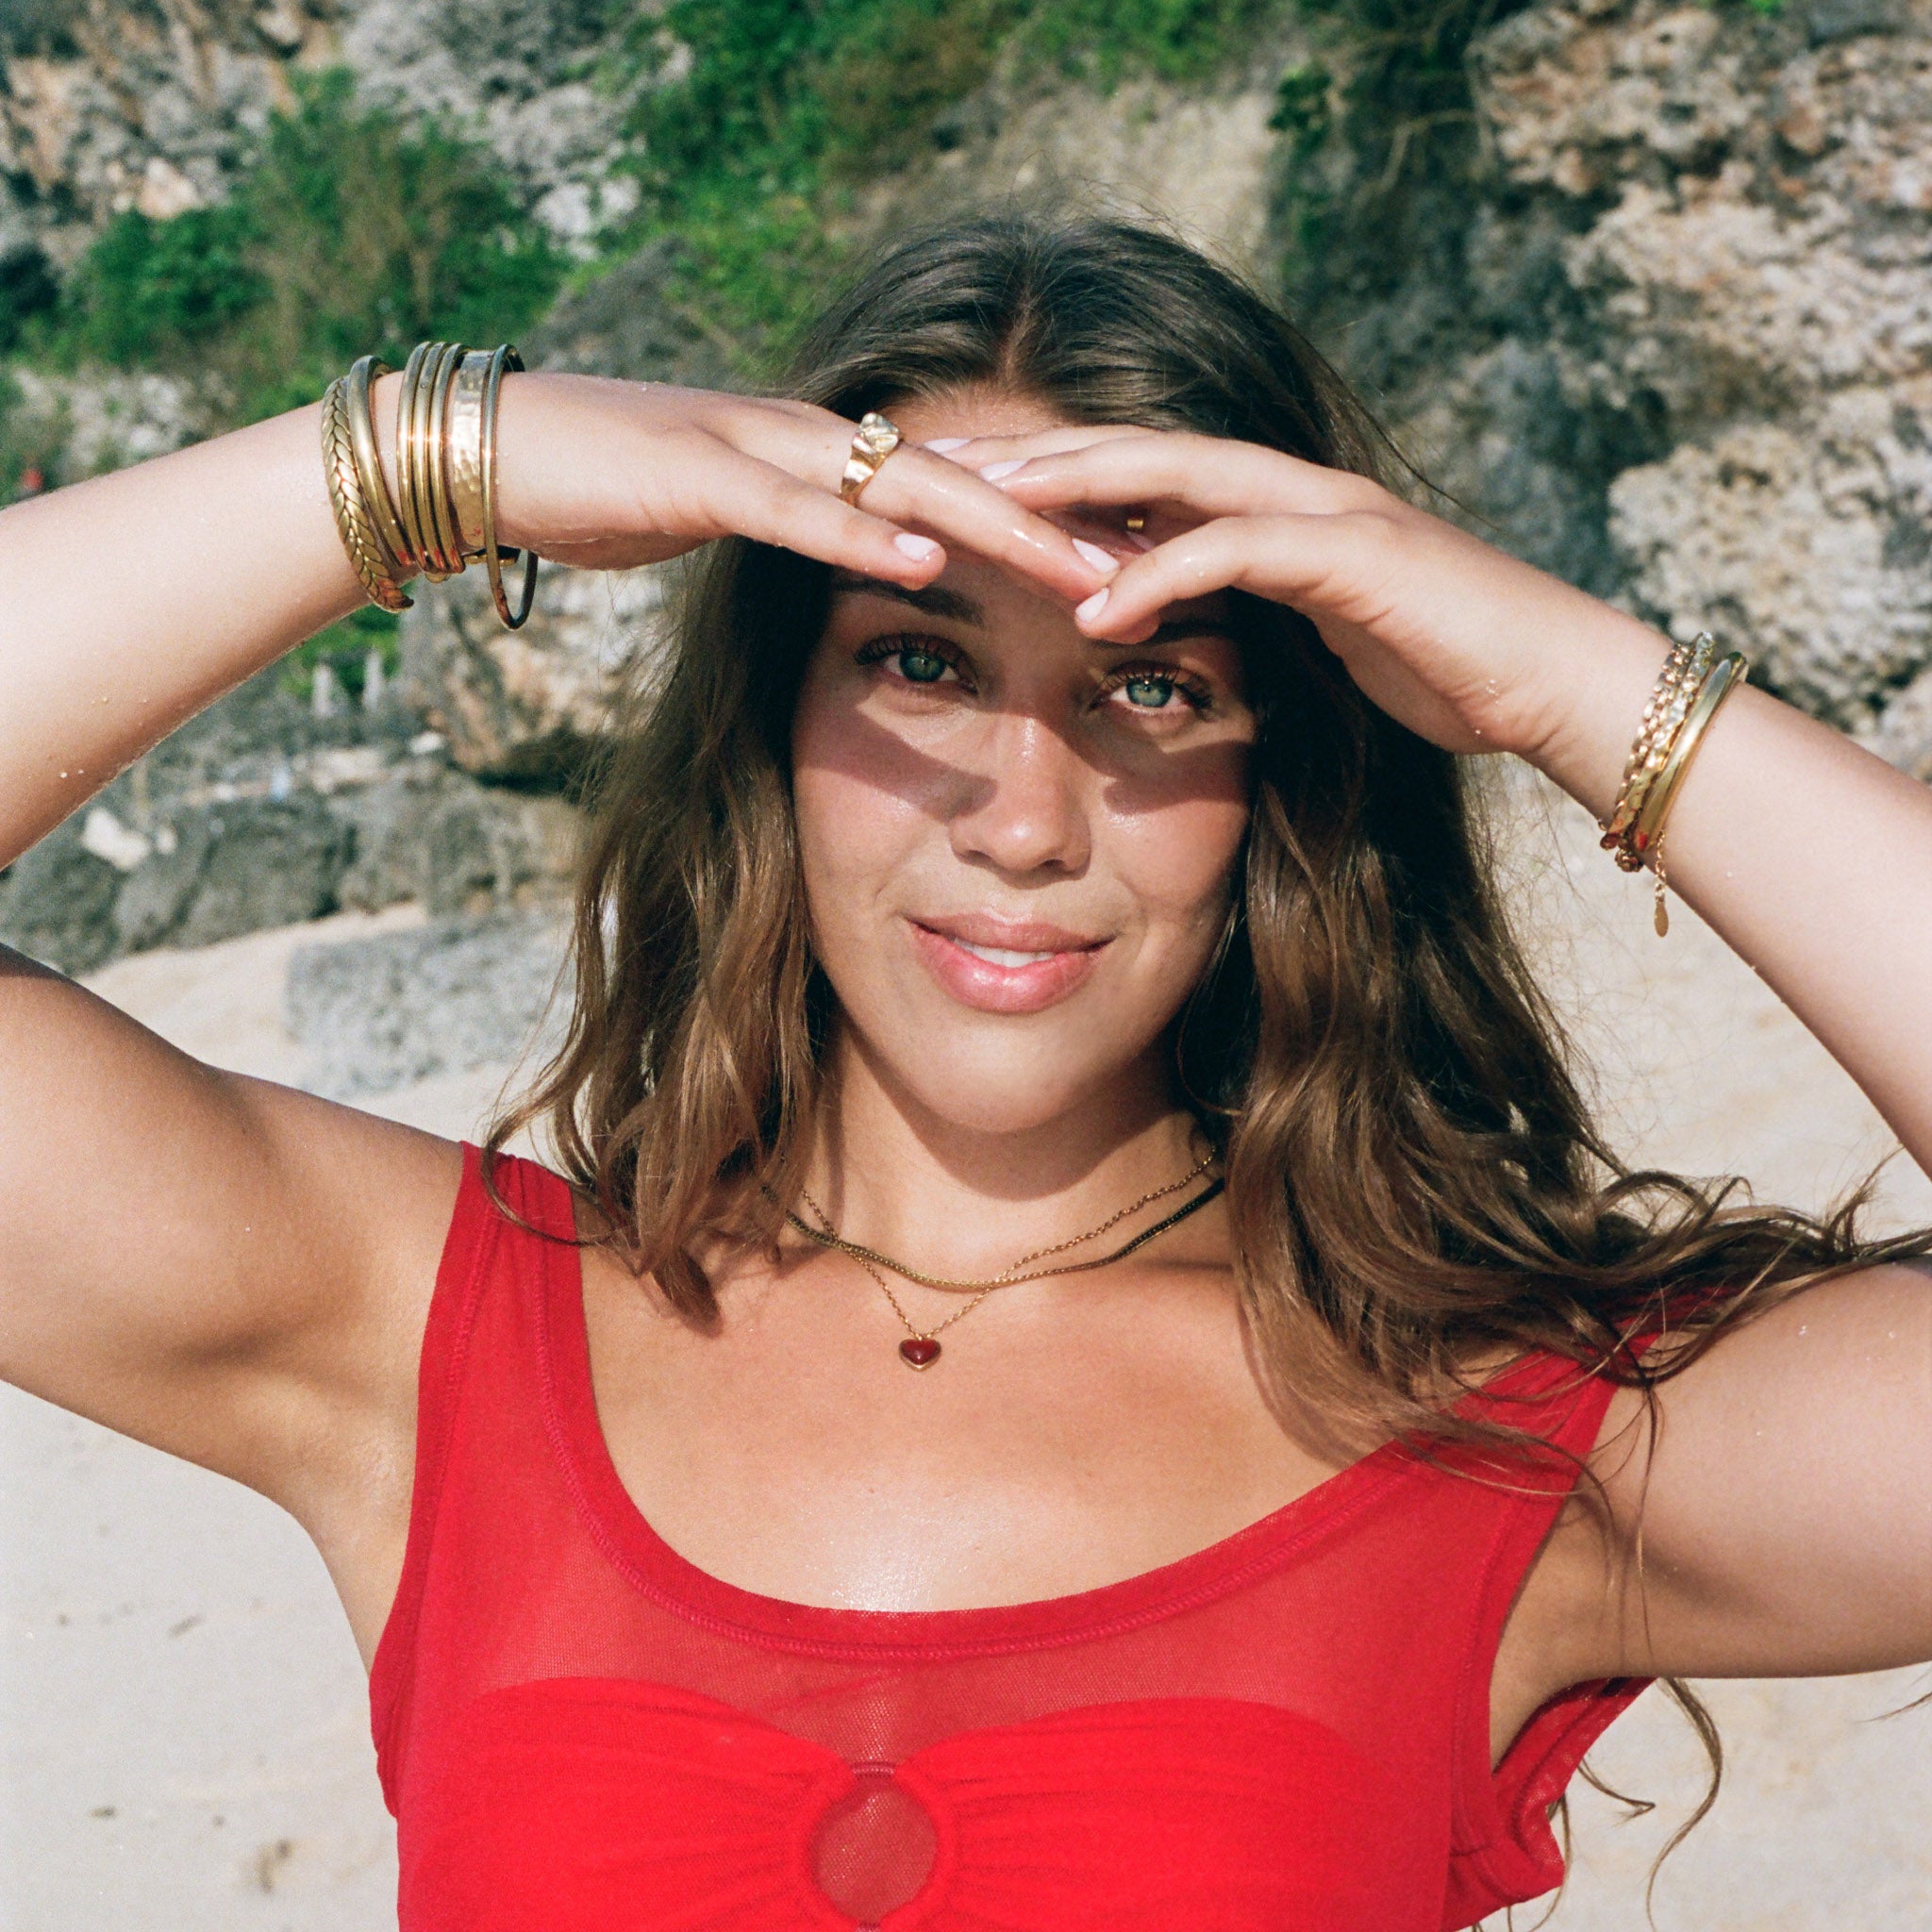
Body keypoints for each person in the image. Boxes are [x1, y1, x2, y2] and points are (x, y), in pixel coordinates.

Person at [1, 213, 1927, 1931]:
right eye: (921, 663)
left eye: (1154, 685)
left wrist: (1569, 682)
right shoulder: (425, 1336)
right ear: (775, 718)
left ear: (1276, 781)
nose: (1023, 820)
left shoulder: (1512, 1430)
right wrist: (441, 455)